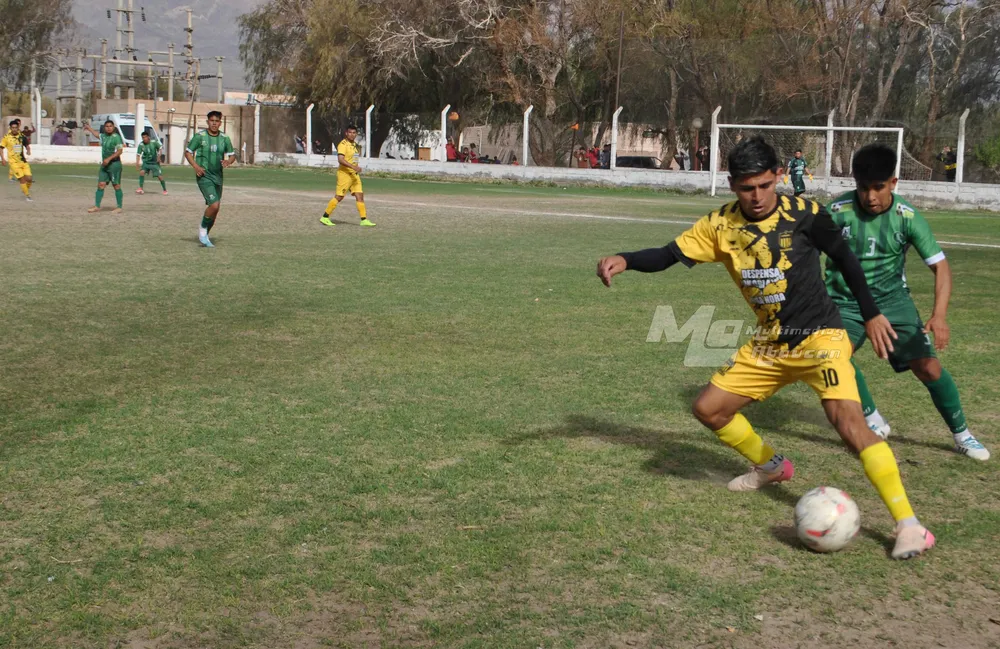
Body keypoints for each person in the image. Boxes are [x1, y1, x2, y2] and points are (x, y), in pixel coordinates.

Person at [596, 136, 935, 560]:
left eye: (763, 185)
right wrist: (625, 259)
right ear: (732, 185)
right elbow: (668, 254)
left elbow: (845, 259)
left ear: (777, 176)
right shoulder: (720, 226)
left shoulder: (806, 215)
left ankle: (909, 525)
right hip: (771, 343)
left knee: (849, 426)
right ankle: (772, 467)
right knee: (709, 409)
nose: (756, 197)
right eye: (745, 188)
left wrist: (869, 313)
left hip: (820, 338)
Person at [825, 143, 988, 461]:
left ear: (894, 183)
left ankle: (962, 435)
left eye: (878, 187)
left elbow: (940, 266)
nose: (870, 197)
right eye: (863, 188)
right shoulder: (836, 212)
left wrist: (938, 316)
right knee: (832, 355)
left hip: (892, 301)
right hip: (845, 303)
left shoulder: (908, 217)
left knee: (928, 368)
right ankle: (871, 417)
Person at [185, 111, 236, 247]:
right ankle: (202, 229)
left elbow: (232, 155)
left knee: (215, 209)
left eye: (217, 121)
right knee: (214, 205)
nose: (214, 123)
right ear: (208, 122)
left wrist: (228, 162)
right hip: (204, 175)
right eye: (212, 120)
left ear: (220, 122)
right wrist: (196, 166)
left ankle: (205, 235)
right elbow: (188, 152)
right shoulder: (199, 136)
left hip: (218, 177)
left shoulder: (225, 138)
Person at [320, 125, 375, 229]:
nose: (352, 134)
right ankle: (325, 217)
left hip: (354, 175)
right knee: (339, 196)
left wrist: (355, 168)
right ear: (346, 133)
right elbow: (340, 159)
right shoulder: (343, 144)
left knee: (360, 195)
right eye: (350, 132)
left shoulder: (354, 145)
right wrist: (353, 166)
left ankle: (364, 220)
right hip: (345, 174)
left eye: (354, 133)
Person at [83, 120, 124, 214]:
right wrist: (89, 128)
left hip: (114, 165)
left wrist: (109, 159)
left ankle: (119, 207)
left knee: (116, 185)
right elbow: (97, 135)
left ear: (113, 127)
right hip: (105, 165)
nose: (108, 128)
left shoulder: (116, 137)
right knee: (101, 184)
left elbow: (119, 151)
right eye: (106, 126)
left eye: (110, 126)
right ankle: (97, 206)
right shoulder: (104, 136)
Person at [1, 120, 33, 201]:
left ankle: (25, 189)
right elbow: (1, 148)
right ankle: (27, 196)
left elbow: (27, 145)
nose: (14, 129)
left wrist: (28, 150)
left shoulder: (22, 136)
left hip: (23, 161)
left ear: (18, 128)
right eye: (13, 128)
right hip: (13, 163)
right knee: (22, 179)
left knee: (29, 179)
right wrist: (3, 159)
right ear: (10, 128)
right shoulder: (6, 137)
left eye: (16, 127)